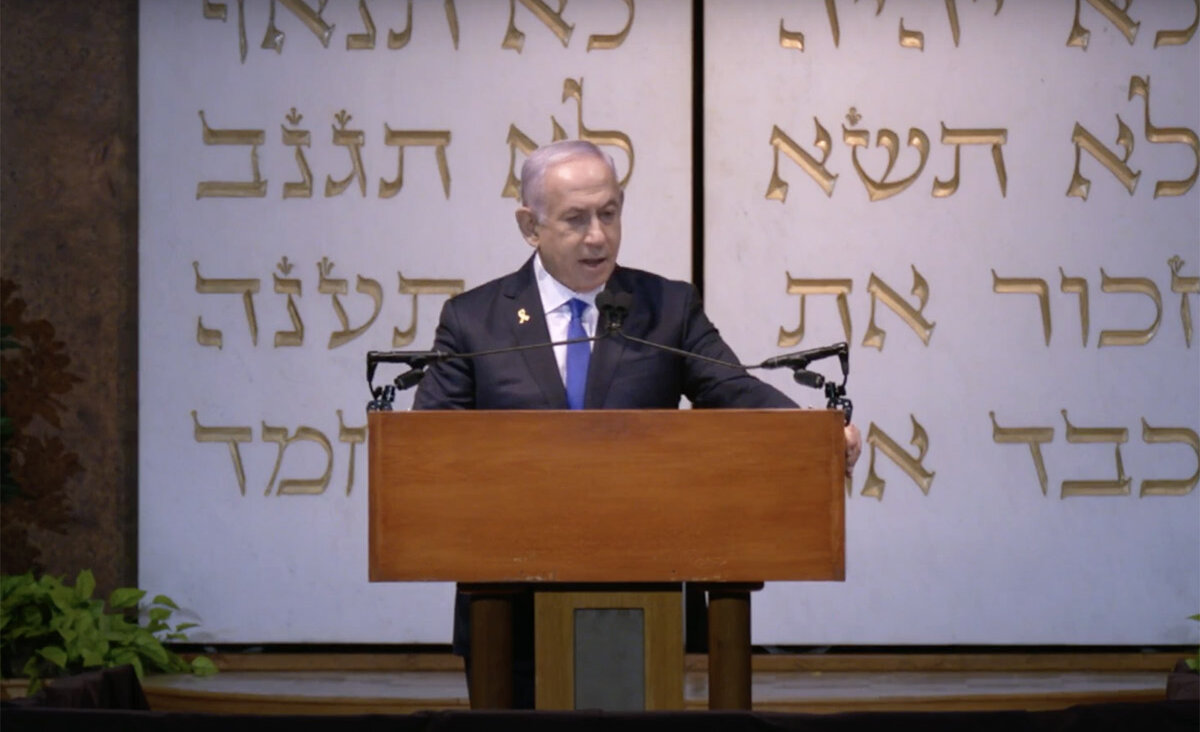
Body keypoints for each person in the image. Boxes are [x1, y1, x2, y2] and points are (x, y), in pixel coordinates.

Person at [413, 139, 863, 707]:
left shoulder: (666, 307)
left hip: (636, 596)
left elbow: (731, 387)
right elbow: (430, 447)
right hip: (508, 603)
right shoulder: (475, 319)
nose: (598, 235)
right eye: (576, 219)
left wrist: (814, 434)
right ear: (530, 225)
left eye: (609, 212)